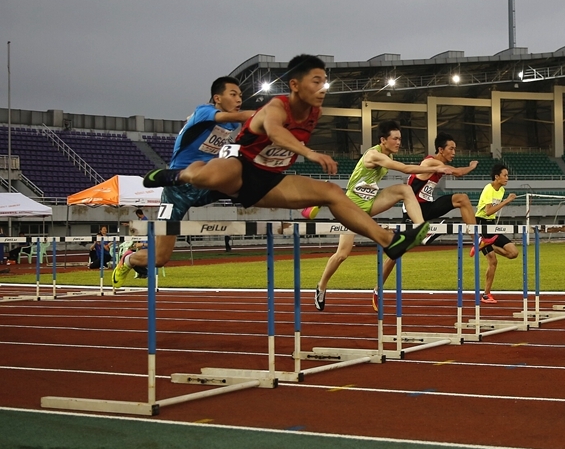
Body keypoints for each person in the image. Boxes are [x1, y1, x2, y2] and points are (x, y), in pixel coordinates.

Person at [142, 55, 433, 288]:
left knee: (332, 193)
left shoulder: (313, 114)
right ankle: (175, 177)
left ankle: (389, 241)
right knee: (164, 249)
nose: (322, 88)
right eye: (315, 81)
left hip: (265, 180)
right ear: (295, 85)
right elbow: (272, 130)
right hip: (206, 182)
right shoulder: (268, 108)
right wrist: (308, 152)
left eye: (324, 82)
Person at [113, 76, 255, 287]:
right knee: (160, 259)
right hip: (175, 189)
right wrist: (267, 114)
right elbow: (243, 116)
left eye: (240, 96)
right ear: (217, 98)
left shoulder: (231, 123)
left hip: (203, 182)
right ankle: (128, 259)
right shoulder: (204, 111)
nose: (238, 99)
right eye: (233, 94)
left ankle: (302, 204)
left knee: (247, 184)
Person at [312, 120, 454, 311]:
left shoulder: (387, 153)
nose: (398, 142)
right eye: (395, 138)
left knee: (405, 190)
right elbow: (405, 168)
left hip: (370, 204)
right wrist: (434, 168)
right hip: (351, 207)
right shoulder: (374, 155)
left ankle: (423, 230)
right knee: (342, 254)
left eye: (400, 138)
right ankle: (321, 287)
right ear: (383, 140)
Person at [371, 132, 498, 309]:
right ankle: (377, 289)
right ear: (440, 149)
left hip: (426, 207)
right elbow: (459, 173)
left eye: (455, 149)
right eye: (451, 149)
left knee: (462, 199)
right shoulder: (431, 162)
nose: (454, 152)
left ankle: (477, 240)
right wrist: (471, 166)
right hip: (413, 211)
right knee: (395, 253)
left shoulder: (439, 164)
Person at [474, 163, 519, 304]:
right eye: (505, 175)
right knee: (493, 261)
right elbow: (487, 211)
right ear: (496, 177)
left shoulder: (501, 190)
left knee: (513, 253)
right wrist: (507, 201)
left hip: (491, 225)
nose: (507, 178)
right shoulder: (489, 189)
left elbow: (492, 213)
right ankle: (486, 294)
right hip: (481, 224)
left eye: (507, 175)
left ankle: (486, 245)